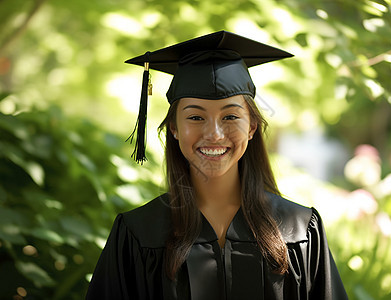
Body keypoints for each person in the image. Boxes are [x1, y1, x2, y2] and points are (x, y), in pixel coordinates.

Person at [86, 31, 348, 300]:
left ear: (252, 127)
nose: (214, 134)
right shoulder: (138, 234)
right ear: (174, 128)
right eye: (196, 117)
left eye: (231, 116)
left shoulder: (300, 231)